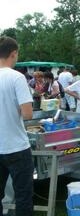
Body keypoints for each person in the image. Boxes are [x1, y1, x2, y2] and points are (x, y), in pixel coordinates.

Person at [0, 36, 34, 216]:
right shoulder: (17, 77)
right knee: (23, 197)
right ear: (13, 54)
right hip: (16, 148)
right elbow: (28, 114)